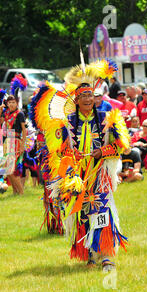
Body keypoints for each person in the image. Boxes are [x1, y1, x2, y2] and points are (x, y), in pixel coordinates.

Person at [31, 58, 129, 271]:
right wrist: (70, 156)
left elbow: (123, 146)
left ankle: (106, 257)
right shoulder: (67, 123)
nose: (87, 99)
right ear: (75, 100)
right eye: (83, 95)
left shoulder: (107, 118)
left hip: (99, 173)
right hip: (77, 174)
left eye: (90, 95)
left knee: (102, 210)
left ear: (95, 99)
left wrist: (102, 151)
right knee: (83, 214)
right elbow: (57, 150)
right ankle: (90, 253)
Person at [0, 95, 26, 195]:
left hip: (16, 141)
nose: (11, 104)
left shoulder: (20, 114)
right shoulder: (6, 113)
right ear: (7, 104)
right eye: (9, 102)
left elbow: (24, 130)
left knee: (11, 169)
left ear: (16, 103)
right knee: (7, 169)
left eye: (13, 102)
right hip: (7, 141)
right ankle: (15, 191)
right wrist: (0, 111)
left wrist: (22, 145)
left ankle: (21, 192)